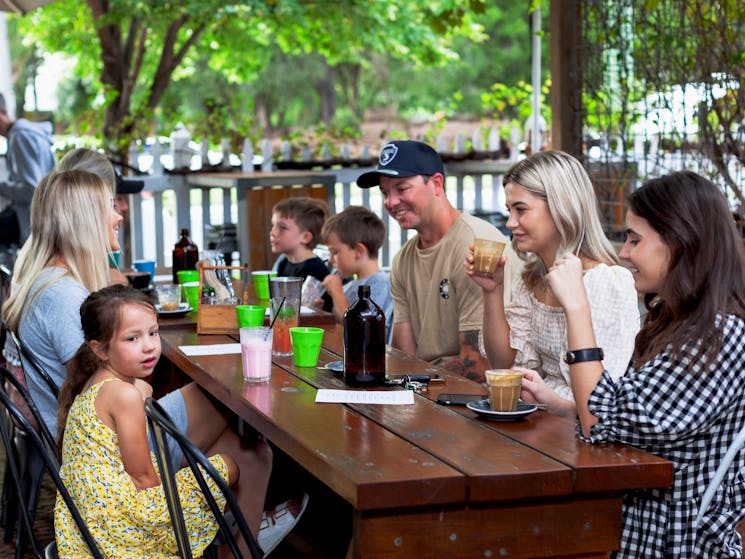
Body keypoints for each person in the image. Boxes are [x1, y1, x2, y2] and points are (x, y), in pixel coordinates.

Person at [1, 169, 305, 556]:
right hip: (111, 456)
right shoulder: (63, 296)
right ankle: (237, 539)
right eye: (110, 207)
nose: (119, 216)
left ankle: (240, 543)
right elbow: (94, 385)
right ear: (84, 219)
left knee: (254, 452)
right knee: (226, 388)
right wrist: (143, 387)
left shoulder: (53, 279)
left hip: (102, 442)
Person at [544, 171, 745, 557]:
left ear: (679, 241)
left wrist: (576, 305)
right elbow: (627, 417)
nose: (623, 252)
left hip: (675, 545)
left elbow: (603, 421)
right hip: (639, 532)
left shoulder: (718, 335)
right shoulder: (682, 322)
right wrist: (566, 407)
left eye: (635, 239)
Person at [54, 285, 246, 557]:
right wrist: (168, 514)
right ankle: (222, 534)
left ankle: (218, 530)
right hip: (121, 532)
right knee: (229, 464)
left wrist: (142, 389)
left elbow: (144, 390)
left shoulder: (97, 384)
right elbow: (144, 479)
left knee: (217, 457)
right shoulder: (123, 395)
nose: (149, 346)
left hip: (88, 521)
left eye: (153, 333)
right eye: (132, 339)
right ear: (100, 350)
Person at [468, 150, 639, 415]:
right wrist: (493, 291)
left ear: (562, 206)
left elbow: (601, 405)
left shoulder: (606, 281)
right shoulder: (531, 276)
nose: (511, 223)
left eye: (521, 210)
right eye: (509, 210)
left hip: (582, 432)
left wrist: (549, 401)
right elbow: (502, 362)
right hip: (538, 418)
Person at [356, 140, 516, 382]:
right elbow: (404, 357)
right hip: (425, 392)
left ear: (437, 184)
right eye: (385, 192)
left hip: (476, 399)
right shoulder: (403, 259)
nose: (390, 202)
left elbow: (480, 366)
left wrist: (415, 380)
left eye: (402, 188)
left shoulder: (476, 246)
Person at [320, 206, 393, 340]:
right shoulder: (350, 286)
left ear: (359, 251)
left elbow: (362, 330)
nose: (331, 259)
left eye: (335, 252)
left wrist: (336, 293)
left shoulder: (380, 285)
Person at [0, 92, 55, 244]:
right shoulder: (24, 134)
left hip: (36, 224)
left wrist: (2, 188)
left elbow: (32, 190)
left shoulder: (20, 137)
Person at [270, 196, 329, 282]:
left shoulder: (316, 271)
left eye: (282, 228)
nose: (273, 233)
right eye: (273, 225)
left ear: (305, 237)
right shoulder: (283, 262)